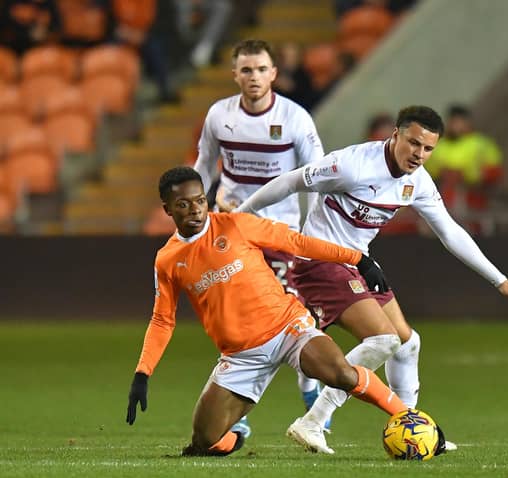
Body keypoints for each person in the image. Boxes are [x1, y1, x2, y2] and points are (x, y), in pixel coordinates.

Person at [236, 105, 508, 454]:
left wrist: (500, 281)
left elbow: (449, 231)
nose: (419, 154)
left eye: (427, 149)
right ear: (395, 134)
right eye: (413, 143)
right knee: (383, 339)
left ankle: (413, 428)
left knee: (407, 343)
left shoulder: (418, 180)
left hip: (356, 265)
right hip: (320, 261)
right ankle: (312, 422)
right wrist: (238, 219)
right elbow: (291, 182)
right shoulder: (351, 165)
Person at [125, 166, 433, 457]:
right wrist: (143, 373)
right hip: (240, 355)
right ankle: (234, 440)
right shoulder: (167, 260)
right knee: (205, 440)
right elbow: (162, 319)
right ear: (167, 209)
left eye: (199, 200)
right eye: (183, 204)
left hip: (288, 329)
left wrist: (357, 260)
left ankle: (410, 419)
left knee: (339, 372)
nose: (195, 209)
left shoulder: (236, 225)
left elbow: (296, 242)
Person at [192, 39, 326, 435]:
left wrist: (312, 228)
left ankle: (308, 387)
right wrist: (198, 216)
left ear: (274, 74)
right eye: (246, 70)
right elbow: (203, 165)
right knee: (237, 323)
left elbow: (317, 175)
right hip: (232, 232)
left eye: (261, 69)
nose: (254, 77)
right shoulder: (219, 115)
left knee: (288, 318)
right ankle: (240, 414)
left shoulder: (296, 118)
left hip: (279, 234)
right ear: (234, 74)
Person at [425, 104, 502, 232]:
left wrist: (473, 176)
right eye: (453, 121)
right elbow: (428, 171)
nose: (456, 125)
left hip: (474, 196)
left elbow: (495, 170)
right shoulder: (438, 145)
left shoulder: (481, 143)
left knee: (476, 231)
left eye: (460, 121)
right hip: (445, 197)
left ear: (468, 122)